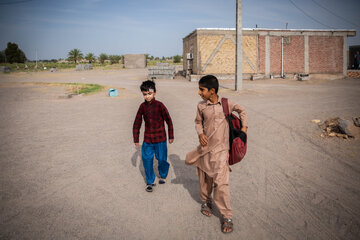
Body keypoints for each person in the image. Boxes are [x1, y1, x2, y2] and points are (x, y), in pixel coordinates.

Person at [185, 75, 248, 234]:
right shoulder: (201, 106)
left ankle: (227, 216)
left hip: (221, 152)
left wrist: (244, 129)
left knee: (221, 184)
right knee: (205, 179)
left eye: (202, 89)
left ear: (212, 91)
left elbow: (242, 110)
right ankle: (206, 201)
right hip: (205, 151)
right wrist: (200, 134)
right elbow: (198, 122)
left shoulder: (226, 104)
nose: (199, 92)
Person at [133, 80, 174, 192]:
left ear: (154, 92)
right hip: (148, 140)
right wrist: (136, 139)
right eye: (145, 94)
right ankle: (150, 181)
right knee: (146, 159)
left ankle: (163, 175)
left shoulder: (160, 106)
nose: (147, 96)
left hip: (160, 139)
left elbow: (168, 120)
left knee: (162, 159)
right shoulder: (142, 107)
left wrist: (171, 135)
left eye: (149, 94)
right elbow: (137, 123)